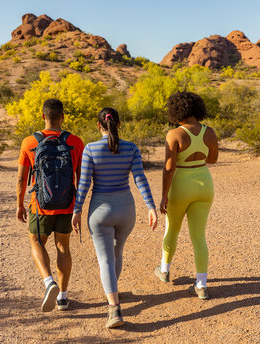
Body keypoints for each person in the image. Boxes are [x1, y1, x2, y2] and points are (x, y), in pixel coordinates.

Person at [71, 107, 158, 329]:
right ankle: (113, 290)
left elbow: (84, 184)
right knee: (117, 253)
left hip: (100, 211)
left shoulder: (91, 149)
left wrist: (77, 210)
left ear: (98, 125)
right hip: (126, 209)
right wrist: (151, 207)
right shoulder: (131, 148)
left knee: (105, 259)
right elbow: (140, 179)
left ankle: (114, 308)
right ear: (119, 125)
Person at [16, 98, 84, 312]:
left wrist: (19, 204)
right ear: (63, 117)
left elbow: (21, 179)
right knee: (63, 247)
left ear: (43, 116)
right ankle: (63, 298)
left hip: (40, 205)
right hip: (67, 203)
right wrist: (78, 206)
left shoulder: (29, 143)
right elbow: (81, 178)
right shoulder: (76, 142)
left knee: (36, 242)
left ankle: (49, 282)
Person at [154, 91, 218, 299]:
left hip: (181, 185)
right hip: (204, 184)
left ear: (176, 110)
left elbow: (169, 168)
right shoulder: (210, 132)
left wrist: (164, 195)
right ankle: (201, 285)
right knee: (199, 236)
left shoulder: (174, 134)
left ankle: (164, 271)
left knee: (172, 229)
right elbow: (213, 160)